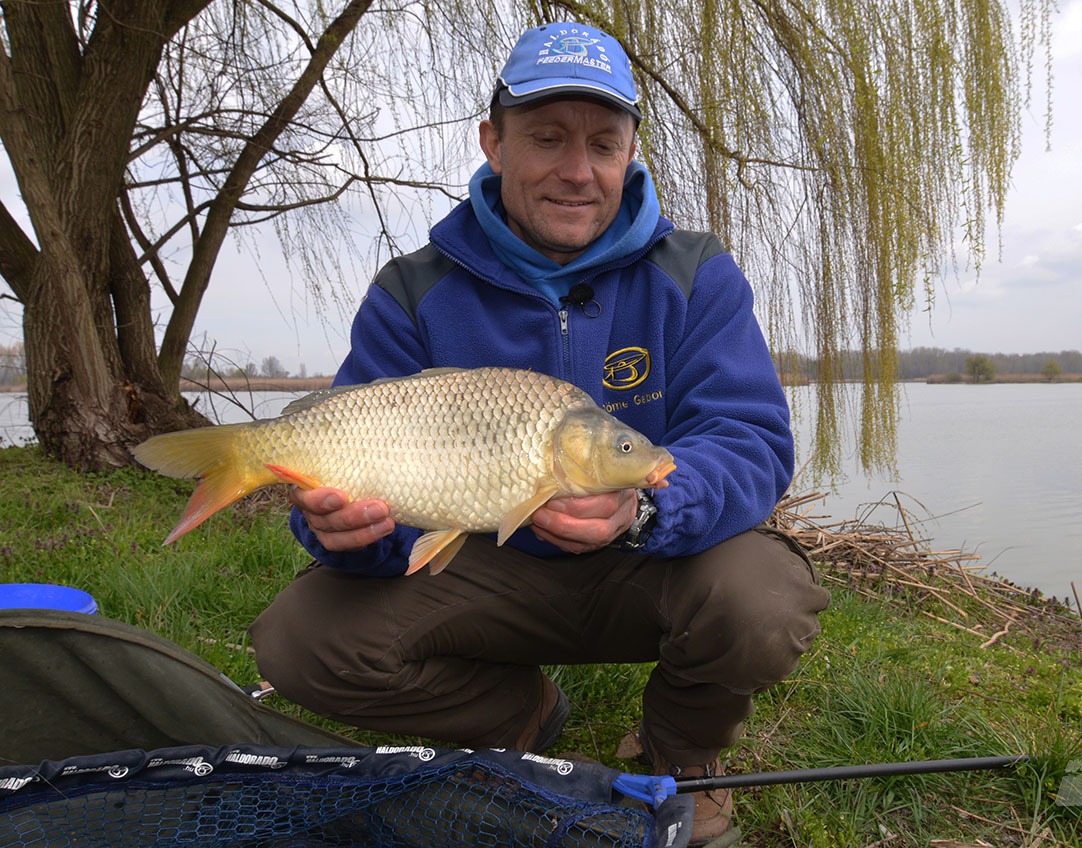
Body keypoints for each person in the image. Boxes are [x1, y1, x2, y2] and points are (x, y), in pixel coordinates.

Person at [249, 21, 830, 845]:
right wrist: (340, 529)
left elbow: (751, 440)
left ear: (631, 150)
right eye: (547, 139)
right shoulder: (414, 293)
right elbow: (352, 459)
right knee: (299, 640)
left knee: (763, 597)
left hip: (648, 564)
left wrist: (646, 511)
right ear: (494, 142)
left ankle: (678, 757)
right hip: (487, 576)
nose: (577, 171)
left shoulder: (694, 273)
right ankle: (519, 713)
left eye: (603, 143)